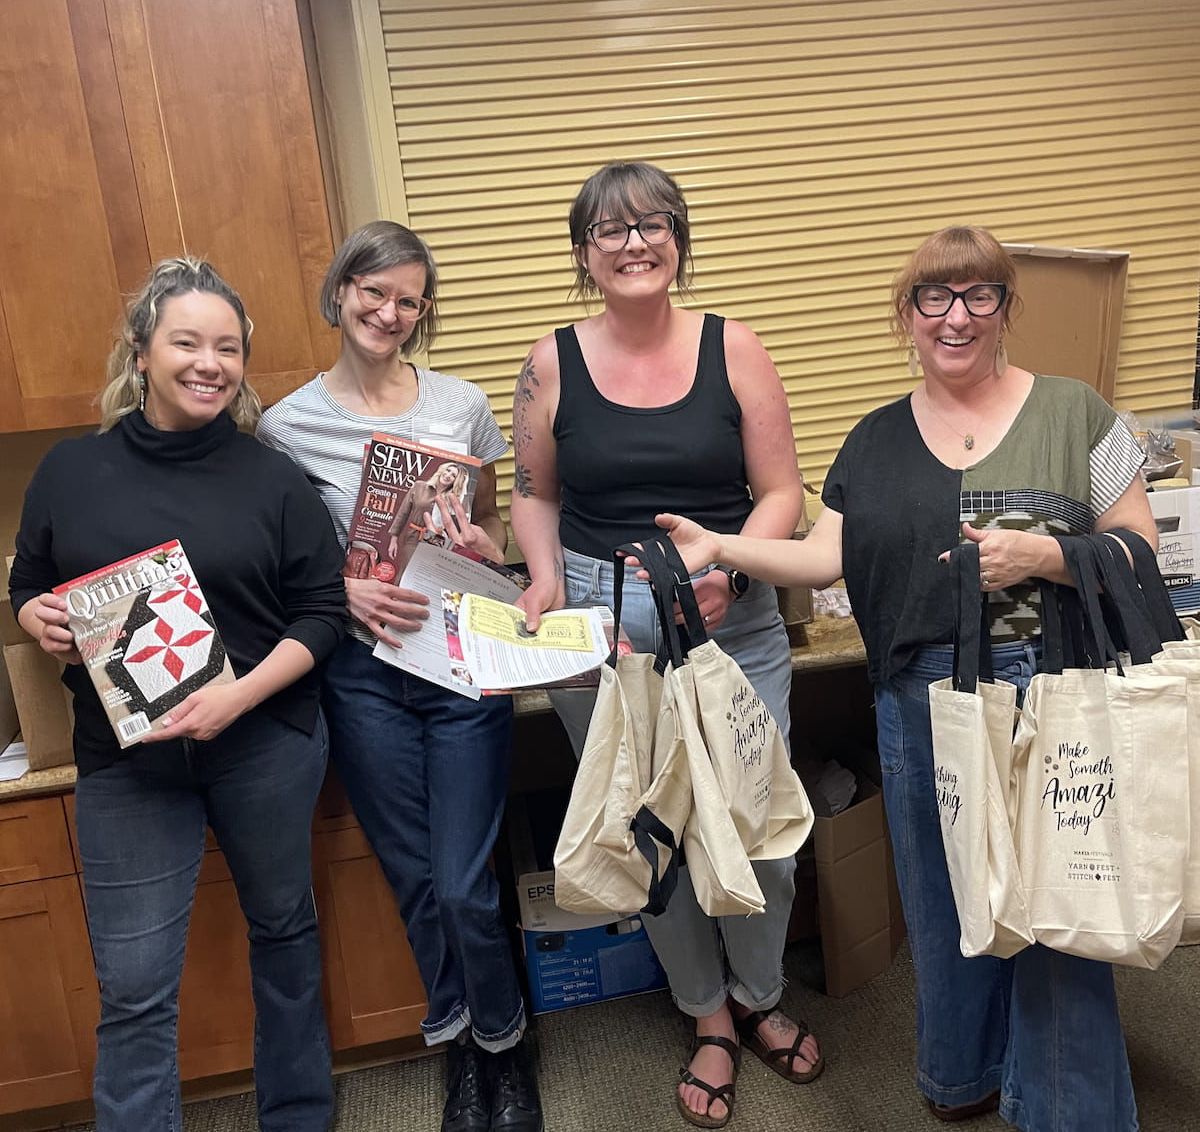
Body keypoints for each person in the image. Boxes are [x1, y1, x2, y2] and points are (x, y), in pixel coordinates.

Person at [648, 226, 1155, 1131]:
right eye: (935, 297)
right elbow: (819, 559)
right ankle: (965, 1077)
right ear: (908, 315)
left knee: (1055, 907)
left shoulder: (1079, 413)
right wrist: (718, 544)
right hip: (920, 700)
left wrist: (1047, 554)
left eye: (978, 296)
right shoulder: (874, 441)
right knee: (947, 901)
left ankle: (1068, 1109)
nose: (955, 317)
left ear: (1005, 307)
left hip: (1054, 693)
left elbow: (1141, 551)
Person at [510, 161, 819, 1130]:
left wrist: (732, 563)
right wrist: (546, 575)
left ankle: (763, 992)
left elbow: (784, 492)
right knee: (653, 840)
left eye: (652, 224)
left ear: (679, 239)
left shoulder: (737, 347)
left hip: (731, 615)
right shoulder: (550, 360)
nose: (634, 242)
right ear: (583, 252)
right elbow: (534, 492)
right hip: (604, 627)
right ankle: (709, 1014)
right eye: (611, 229)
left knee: (758, 828)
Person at [8, 258, 347, 1132]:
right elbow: (32, 586)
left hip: (264, 744)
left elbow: (322, 614)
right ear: (143, 350)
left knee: (285, 936)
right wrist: (37, 614)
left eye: (227, 348)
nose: (210, 363)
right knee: (133, 986)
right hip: (126, 767)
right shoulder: (69, 471)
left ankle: (300, 1116)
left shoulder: (271, 477)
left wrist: (238, 697)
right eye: (187, 342)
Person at [256, 221, 543, 1132]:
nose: (389, 311)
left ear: (423, 312)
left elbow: (491, 533)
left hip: (458, 665)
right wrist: (345, 595)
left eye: (408, 298)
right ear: (340, 292)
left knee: (464, 880)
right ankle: (462, 1045)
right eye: (373, 291)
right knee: (415, 879)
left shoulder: (460, 406)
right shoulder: (285, 424)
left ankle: (507, 1042)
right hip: (363, 677)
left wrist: (478, 547)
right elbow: (291, 565)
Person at [388, 460, 465, 572]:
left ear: (455, 481)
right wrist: (393, 540)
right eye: (448, 470)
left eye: (453, 475)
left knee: (426, 576)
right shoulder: (419, 486)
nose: (448, 475)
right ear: (442, 470)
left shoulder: (452, 499)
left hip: (438, 540)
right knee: (407, 572)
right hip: (414, 537)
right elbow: (402, 513)